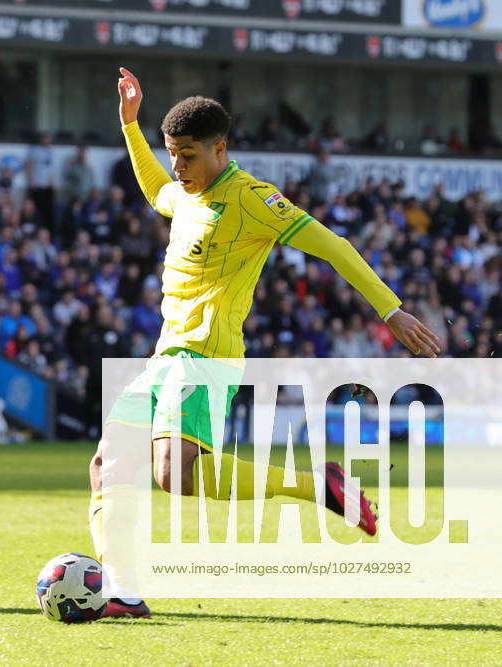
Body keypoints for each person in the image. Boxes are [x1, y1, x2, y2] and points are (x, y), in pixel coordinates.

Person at [88, 68, 442, 619]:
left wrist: (390, 309)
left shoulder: (254, 200)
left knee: (172, 475)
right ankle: (124, 595)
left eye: (186, 155)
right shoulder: (183, 194)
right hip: (164, 356)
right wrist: (130, 126)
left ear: (219, 148)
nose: (177, 167)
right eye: (172, 153)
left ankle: (317, 487)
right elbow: (157, 189)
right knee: (107, 463)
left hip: (207, 356)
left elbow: (335, 246)